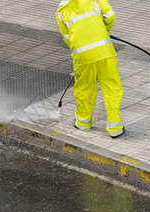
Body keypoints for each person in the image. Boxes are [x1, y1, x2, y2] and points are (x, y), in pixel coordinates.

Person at [56, 0, 125, 138]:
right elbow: (110, 15)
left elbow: (67, 37)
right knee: (112, 87)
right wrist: (104, 31)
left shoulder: (61, 11)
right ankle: (115, 126)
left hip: (82, 56)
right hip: (104, 51)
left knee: (84, 88)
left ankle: (83, 122)